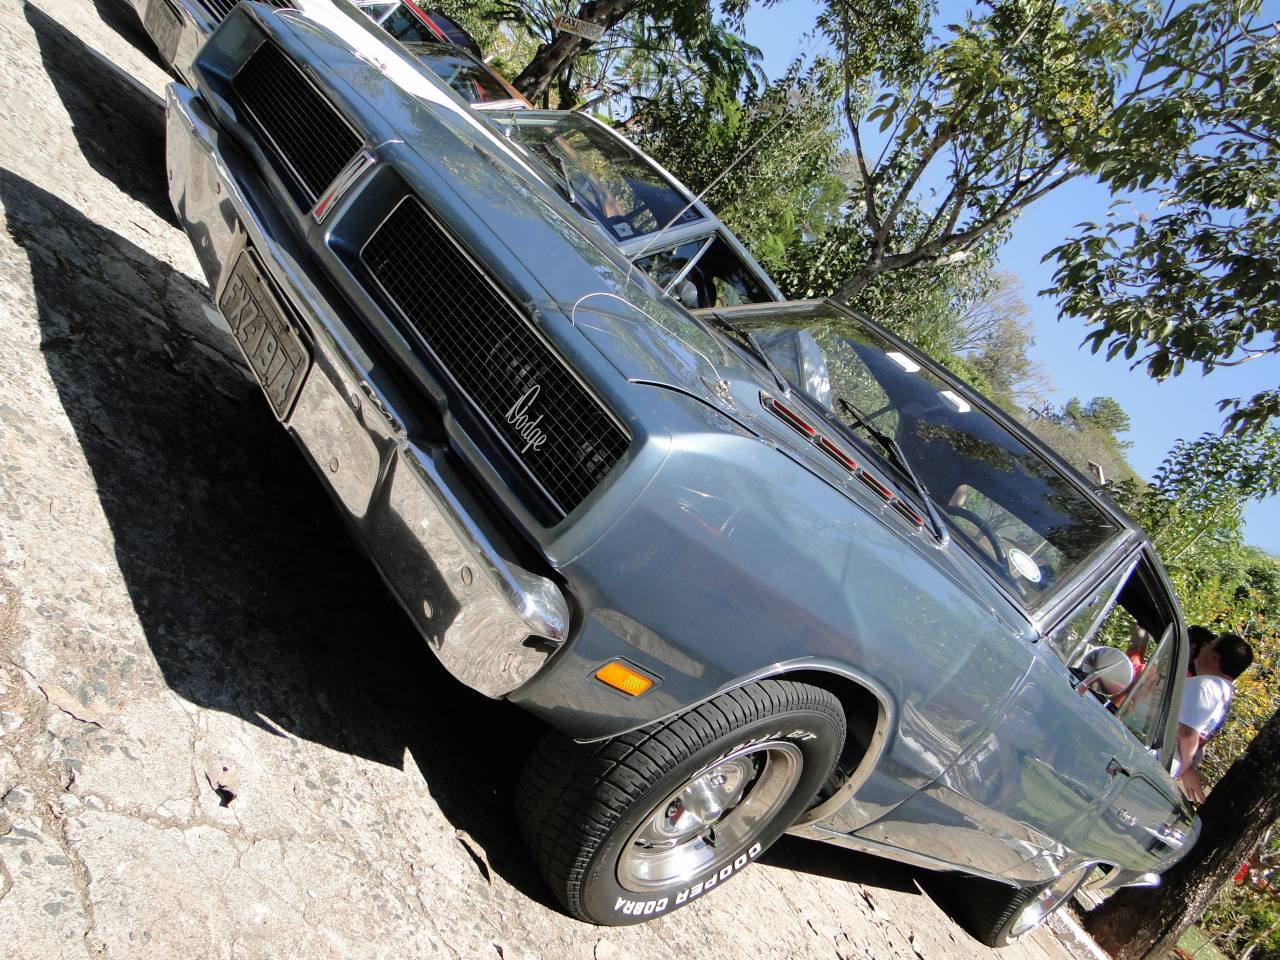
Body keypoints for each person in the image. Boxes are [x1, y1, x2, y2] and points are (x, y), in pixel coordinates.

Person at [1173, 632, 1253, 803]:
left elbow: (1187, 734)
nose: (1202, 649)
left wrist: (1186, 768)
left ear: (1215, 657)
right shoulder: (1223, 691)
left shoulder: (1207, 685)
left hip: (1152, 758)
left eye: (1207, 645)